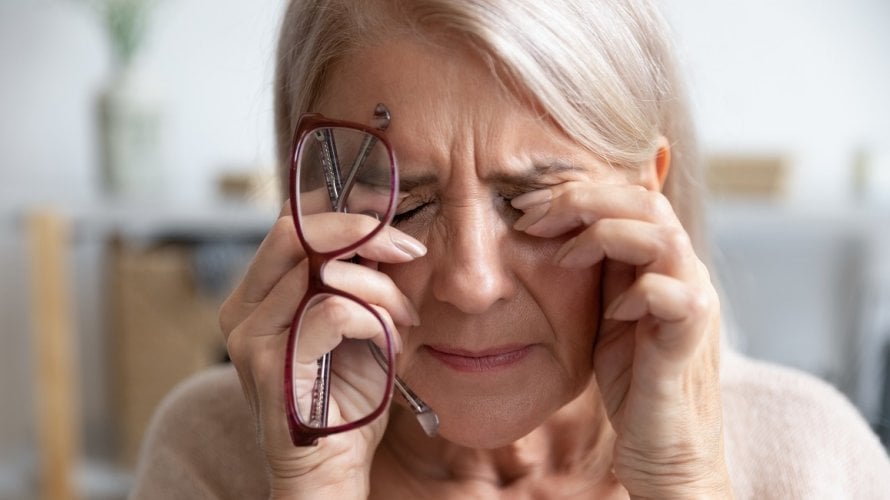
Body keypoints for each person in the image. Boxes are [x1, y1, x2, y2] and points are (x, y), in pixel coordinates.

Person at [131, 0, 890, 498]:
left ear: (647, 197)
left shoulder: (809, 459)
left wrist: (684, 481)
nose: (472, 282)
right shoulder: (214, 455)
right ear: (313, 205)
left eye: (533, 202)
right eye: (406, 201)